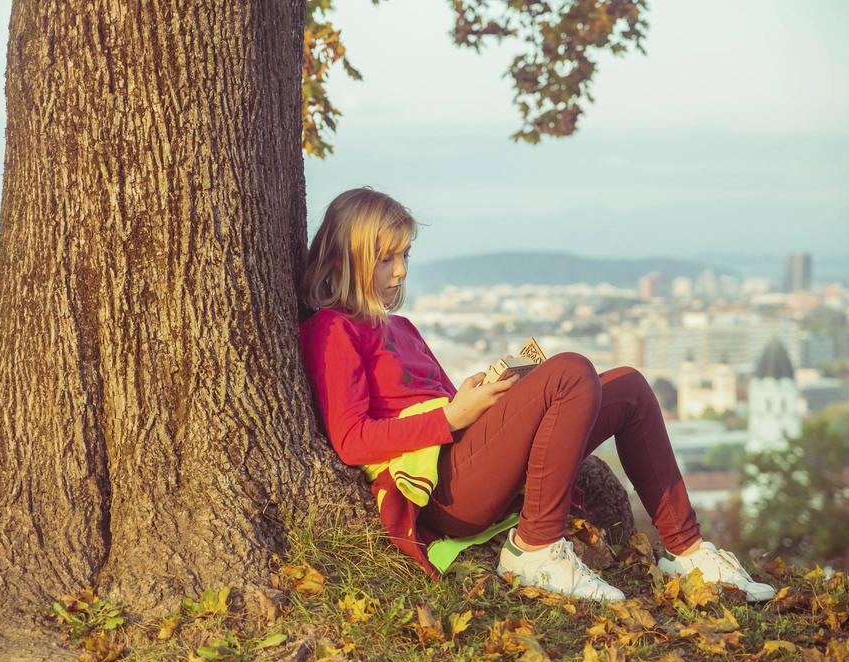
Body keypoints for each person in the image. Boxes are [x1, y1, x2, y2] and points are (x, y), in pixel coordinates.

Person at [299, 188, 775, 603]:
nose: (401, 270)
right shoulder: (332, 329)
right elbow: (351, 440)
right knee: (569, 371)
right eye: (386, 259)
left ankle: (686, 552)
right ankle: (536, 549)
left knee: (628, 385)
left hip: (467, 460)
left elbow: (445, 405)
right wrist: (452, 417)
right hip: (441, 490)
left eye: (405, 255)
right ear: (347, 258)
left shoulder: (401, 327)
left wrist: (479, 397)